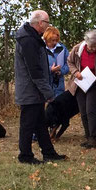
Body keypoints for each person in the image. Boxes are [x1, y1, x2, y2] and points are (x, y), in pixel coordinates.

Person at [14, 10, 66, 164]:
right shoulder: (28, 40)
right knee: (27, 124)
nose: (49, 25)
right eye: (47, 22)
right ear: (40, 23)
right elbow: (34, 70)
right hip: (29, 90)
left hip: (34, 90)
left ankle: (48, 152)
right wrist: (48, 92)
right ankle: (25, 156)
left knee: (40, 124)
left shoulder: (33, 38)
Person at [66, 30, 96, 149]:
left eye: (95, 46)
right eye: (91, 47)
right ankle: (88, 136)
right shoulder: (77, 49)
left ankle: (93, 137)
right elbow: (69, 62)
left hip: (94, 85)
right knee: (83, 111)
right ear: (86, 42)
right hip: (80, 84)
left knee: (91, 111)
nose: (93, 49)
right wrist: (76, 72)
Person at [43, 27, 70, 98]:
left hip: (59, 85)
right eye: (52, 40)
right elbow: (37, 66)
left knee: (58, 106)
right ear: (46, 39)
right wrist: (50, 70)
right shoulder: (41, 49)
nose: (54, 42)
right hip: (45, 85)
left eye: (56, 40)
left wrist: (61, 71)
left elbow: (69, 64)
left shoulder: (62, 48)